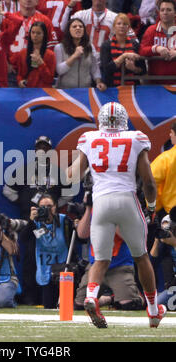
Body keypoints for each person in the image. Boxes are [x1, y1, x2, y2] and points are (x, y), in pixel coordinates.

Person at [67, 101, 166, 328]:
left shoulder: (89, 138)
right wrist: (151, 206)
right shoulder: (135, 138)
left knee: (100, 259)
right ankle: (152, 311)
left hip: (100, 203)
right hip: (126, 199)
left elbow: (72, 176)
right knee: (141, 256)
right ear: (124, 120)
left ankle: (91, 297)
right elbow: (149, 182)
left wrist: (67, 169)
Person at [3, 136, 73, 305]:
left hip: (53, 223)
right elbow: (7, 190)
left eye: (46, 148)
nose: (42, 150)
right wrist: (24, 204)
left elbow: (69, 194)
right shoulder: (24, 170)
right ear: (35, 150)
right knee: (30, 257)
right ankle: (29, 297)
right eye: (39, 147)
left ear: (51, 151)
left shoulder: (58, 171)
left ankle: (57, 294)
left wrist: (53, 207)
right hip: (31, 220)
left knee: (57, 254)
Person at [74, 193, 145, 311]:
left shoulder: (123, 208)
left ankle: (114, 298)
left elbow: (128, 235)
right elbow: (82, 234)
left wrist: (110, 219)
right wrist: (88, 207)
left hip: (119, 265)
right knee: (80, 305)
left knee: (130, 305)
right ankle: (105, 299)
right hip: (95, 265)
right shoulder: (94, 209)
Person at [19, 194, 76, 308]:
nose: (47, 210)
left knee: (65, 307)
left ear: (55, 207)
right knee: (48, 306)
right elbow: (23, 239)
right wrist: (31, 221)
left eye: (50, 206)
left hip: (63, 269)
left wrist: (77, 225)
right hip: (44, 270)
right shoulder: (35, 223)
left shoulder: (64, 221)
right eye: (43, 207)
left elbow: (80, 239)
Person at [60, 0, 137, 65]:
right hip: (84, 60)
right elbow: (63, 28)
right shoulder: (81, 15)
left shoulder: (115, 18)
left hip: (106, 62)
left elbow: (134, 40)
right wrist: (69, 7)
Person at [1, 0, 58, 87]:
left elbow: (51, 46)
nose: (28, 0)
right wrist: (5, 63)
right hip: (12, 69)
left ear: (37, 2)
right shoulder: (8, 20)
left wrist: (41, 63)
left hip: (36, 71)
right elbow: (0, 44)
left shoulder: (45, 20)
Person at [54, 17, 106, 89]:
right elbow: (59, 70)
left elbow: (94, 68)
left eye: (81, 26)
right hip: (65, 91)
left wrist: (98, 82)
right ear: (68, 30)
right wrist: (74, 56)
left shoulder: (90, 46)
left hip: (85, 90)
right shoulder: (59, 47)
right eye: (74, 26)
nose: (78, 28)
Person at [100, 12, 146, 87]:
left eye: (125, 24)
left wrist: (134, 68)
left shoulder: (135, 44)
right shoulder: (106, 45)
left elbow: (143, 71)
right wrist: (123, 56)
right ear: (114, 27)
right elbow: (106, 70)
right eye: (119, 24)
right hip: (112, 88)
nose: (122, 26)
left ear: (128, 28)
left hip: (133, 89)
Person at [139, 0, 176, 84]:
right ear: (158, 13)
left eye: (169, 10)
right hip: (156, 84)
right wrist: (156, 48)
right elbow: (141, 51)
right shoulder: (151, 30)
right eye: (162, 10)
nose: (165, 13)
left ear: (175, 13)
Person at [16, 21, 56, 88]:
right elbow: (20, 74)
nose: (35, 35)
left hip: (43, 92)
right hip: (27, 91)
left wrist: (41, 63)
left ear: (44, 35)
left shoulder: (50, 55)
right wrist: (20, 81)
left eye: (38, 33)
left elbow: (50, 79)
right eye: (33, 32)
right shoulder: (23, 53)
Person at [151, 121, 176, 219]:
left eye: (172, 132)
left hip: (171, 213)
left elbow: (151, 182)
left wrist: (155, 207)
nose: (170, 135)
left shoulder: (165, 158)